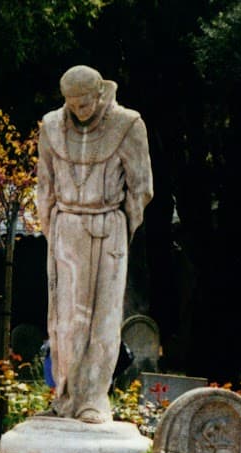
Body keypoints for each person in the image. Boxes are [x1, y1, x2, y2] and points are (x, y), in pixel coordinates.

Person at [38, 65, 153, 423]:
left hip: (108, 228)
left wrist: (121, 227)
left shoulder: (129, 124)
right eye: (72, 103)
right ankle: (65, 394)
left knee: (103, 318)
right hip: (67, 226)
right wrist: (53, 225)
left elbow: (141, 187)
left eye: (85, 103)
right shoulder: (51, 126)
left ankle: (94, 398)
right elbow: (45, 183)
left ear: (100, 93)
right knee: (66, 319)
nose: (79, 110)